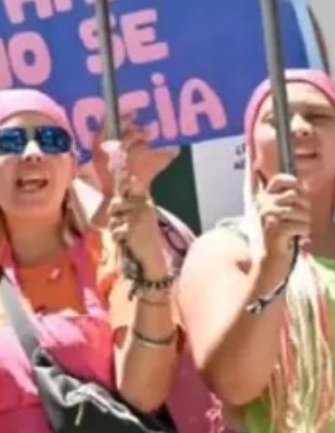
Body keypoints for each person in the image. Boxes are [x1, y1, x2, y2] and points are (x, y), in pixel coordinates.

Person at [0, 89, 178, 432]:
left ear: (73, 166)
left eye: (51, 140)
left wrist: (152, 268)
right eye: (9, 141)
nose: (32, 153)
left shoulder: (114, 260)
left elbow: (144, 395)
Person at [177, 70, 335, 433]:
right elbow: (233, 383)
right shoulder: (223, 251)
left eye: (319, 116)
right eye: (277, 119)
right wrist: (272, 265)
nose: (300, 128)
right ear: (253, 151)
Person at [82, 115, 226, 433]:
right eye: (127, 130)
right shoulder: (99, 233)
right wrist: (114, 188)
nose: (147, 128)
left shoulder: (165, 221)